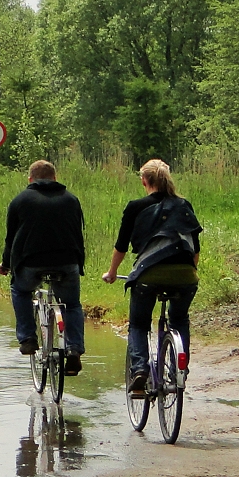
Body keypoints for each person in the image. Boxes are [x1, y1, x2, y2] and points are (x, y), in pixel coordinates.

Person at [102, 159, 202, 393]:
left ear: (144, 180)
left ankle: (139, 370)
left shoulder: (135, 206)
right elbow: (194, 249)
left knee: (138, 324)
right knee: (179, 320)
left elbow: (121, 246)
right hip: (186, 275)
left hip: (148, 275)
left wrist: (112, 272)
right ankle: (180, 370)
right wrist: (190, 272)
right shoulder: (183, 204)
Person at [0, 160, 86, 376]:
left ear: (31, 179)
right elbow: (78, 234)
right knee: (72, 304)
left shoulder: (20, 200)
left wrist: (6, 264)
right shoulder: (71, 200)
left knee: (20, 291)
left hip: (30, 263)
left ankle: (28, 338)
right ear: (55, 178)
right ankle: (74, 348)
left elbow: (11, 239)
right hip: (67, 263)